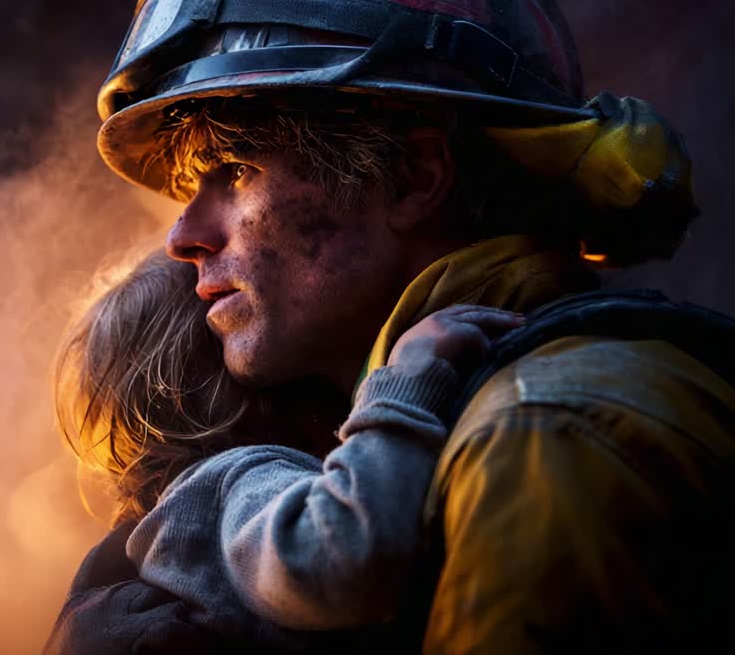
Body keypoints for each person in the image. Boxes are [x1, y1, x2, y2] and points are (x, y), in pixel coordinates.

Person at [52, 0, 735, 652]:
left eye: (235, 168)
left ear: (412, 176)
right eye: (193, 188)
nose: (182, 234)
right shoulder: (460, 428)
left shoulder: (548, 436)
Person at [49, 247, 522, 652]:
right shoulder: (228, 484)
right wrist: (403, 385)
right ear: (222, 374)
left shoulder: (181, 519)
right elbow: (342, 557)